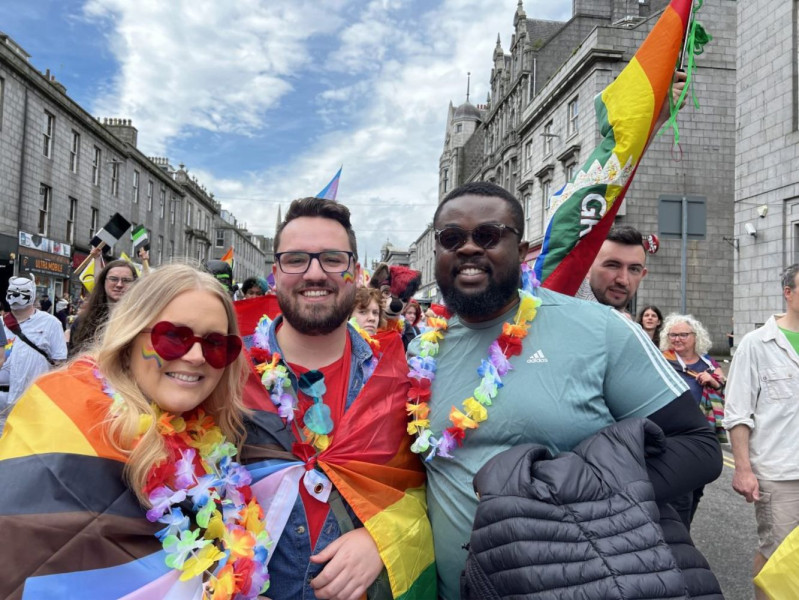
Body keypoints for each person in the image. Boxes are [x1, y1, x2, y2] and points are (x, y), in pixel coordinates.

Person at [411, 182, 722, 598]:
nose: (468, 248)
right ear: (438, 253)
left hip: (576, 585)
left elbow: (698, 446)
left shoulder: (601, 329)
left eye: (488, 235)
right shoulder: (422, 349)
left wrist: (566, 497)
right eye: (452, 238)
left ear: (521, 253)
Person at [0, 263, 267, 598]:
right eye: (173, 336)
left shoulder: (211, 437)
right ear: (130, 336)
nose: (197, 356)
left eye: (215, 344)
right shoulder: (64, 413)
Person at [239, 197, 434, 599]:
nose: (315, 273)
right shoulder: (224, 371)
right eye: (296, 260)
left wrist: (383, 539)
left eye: (332, 259)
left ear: (355, 272)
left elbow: (430, 492)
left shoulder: (401, 378)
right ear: (275, 273)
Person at [724, 263, 799, 600]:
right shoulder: (757, 343)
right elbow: (737, 413)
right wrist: (743, 469)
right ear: (788, 293)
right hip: (779, 474)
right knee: (777, 555)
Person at [660, 313, 725, 528]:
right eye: (673, 335)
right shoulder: (662, 359)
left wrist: (713, 381)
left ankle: (681, 532)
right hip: (674, 434)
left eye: (683, 335)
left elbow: (722, 386)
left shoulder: (708, 362)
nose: (677, 339)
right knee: (681, 494)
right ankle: (678, 539)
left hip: (704, 432)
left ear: (695, 337)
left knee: (697, 488)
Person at [0, 276, 67, 431]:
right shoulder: (0, 323)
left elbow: (60, 364)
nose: (16, 296)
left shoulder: (50, 323)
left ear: (32, 294)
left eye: (22, 292)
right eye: (13, 292)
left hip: (32, 401)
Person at [69, 259, 138, 356]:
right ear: (103, 281)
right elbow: (73, 360)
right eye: (113, 279)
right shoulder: (82, 323)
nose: (119, 285)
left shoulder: (141, 322)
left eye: (126, 280)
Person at [579, 225, 648, 311]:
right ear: (587, 268)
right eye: (612, 265)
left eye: (634, 269)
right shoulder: (562, 317)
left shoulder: (630, 324)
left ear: (642, 274)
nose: (623, 280)